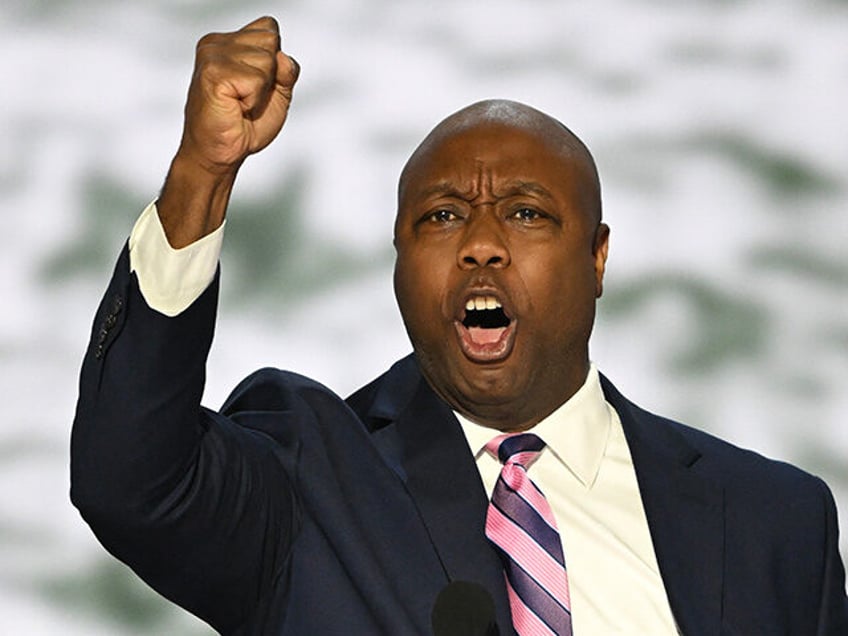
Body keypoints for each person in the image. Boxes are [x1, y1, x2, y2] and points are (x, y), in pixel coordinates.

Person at [71, 16, 848, 636]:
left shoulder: (774, 522)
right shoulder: (308, 481)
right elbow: (130, 481)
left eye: (525, 213)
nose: (480, 243)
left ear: (598, 256)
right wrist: (202, 175)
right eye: (443, 216)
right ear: (400, 260)